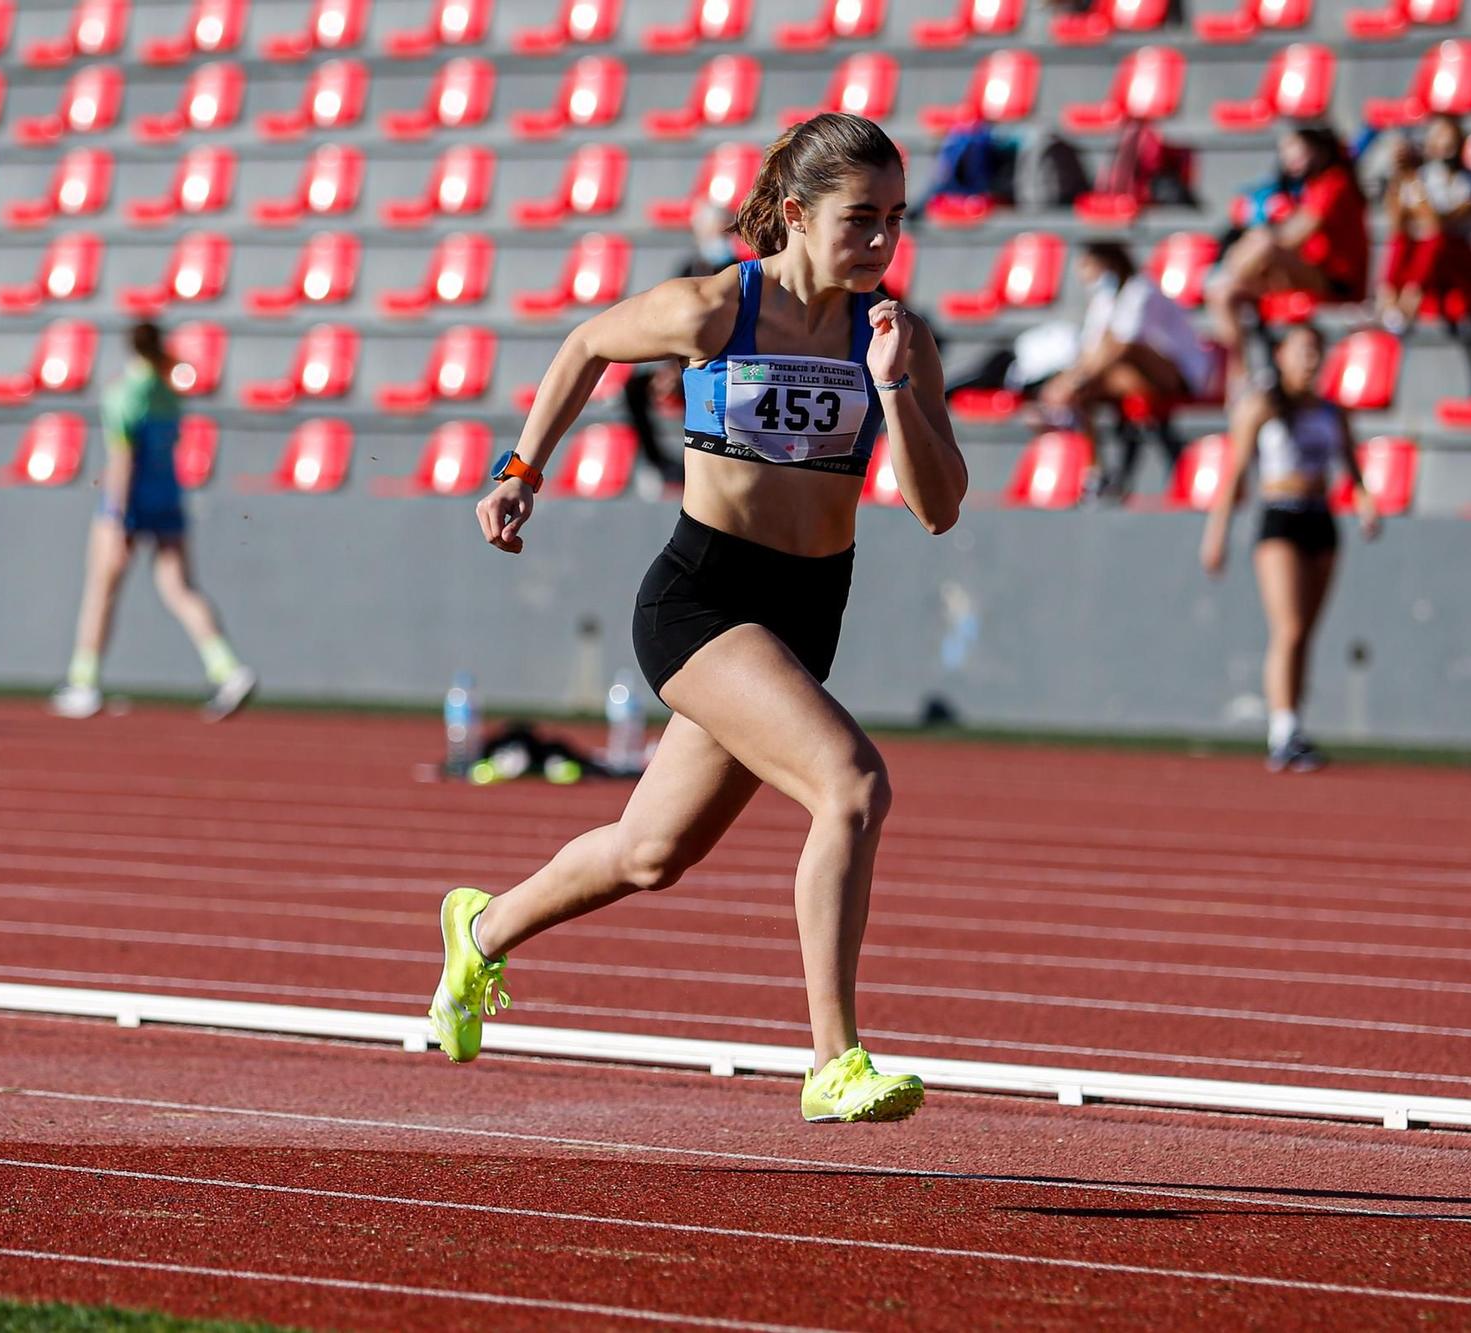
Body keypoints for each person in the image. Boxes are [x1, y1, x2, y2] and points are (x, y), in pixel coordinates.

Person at [436, 113, 966, 1124]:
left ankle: (481, 930)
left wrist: (895, 387)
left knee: (649, 854)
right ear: (798, 216)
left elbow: (936, 507)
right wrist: (519, 471)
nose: (880, 243)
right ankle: (832, 1059)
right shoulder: (717, 309)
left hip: (807, 612)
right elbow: (588, 342)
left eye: (895, 221)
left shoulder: (891, 335)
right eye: (860, 219)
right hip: (702, 600)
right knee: (850, 786)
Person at [50, 321, 256, 722]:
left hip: (133, 500)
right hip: (168, 497)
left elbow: (124, 460)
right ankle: (227, 669)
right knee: (180, 587)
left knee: (101, 588)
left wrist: (116, 516)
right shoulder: (169, 391)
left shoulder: (124, 393)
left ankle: (83, 680)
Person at [1200, 325, 1380, 772]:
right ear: (1280, 355)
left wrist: (1365, 504)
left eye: (1316, 352)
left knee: (1306, 634)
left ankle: (1294, 723)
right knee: (1290, 628)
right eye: (1301, 352)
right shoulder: (1262, 406)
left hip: (1320, 516)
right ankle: (1281, 730)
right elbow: (1234, 474)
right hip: (1280, 515)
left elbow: (1352, 471)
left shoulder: (1331, 412)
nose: (1310, 361)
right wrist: (1217, 533)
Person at [1041, 240, 1219, 494]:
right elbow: (1092, 351)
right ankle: (1095, 470)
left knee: (1120, 351)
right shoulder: (1104, 300)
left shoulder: (1142, 291)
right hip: (1138, 380)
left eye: (1089, 268)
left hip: (1182, 376)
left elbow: (1124, 346)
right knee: (1090, 389)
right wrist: (1072, 383)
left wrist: (1074, 380)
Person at [1206, 126, 1368, 387]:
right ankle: (1239, 379)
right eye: (1285, 150)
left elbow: (1294, 238)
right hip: (1299, 274)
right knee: (1224, 295)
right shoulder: (1303, 188)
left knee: (1264, 243)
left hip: (1335, 282)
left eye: (1296, 149)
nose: (1289, 157)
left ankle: (1222, 274)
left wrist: (1255, 241)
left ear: (1319, 149)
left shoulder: (1334, 183)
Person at [620, 201, 741, 494]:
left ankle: (708, 464)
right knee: (634, 387)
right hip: (683, 361)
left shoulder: (737, 271)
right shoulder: (689, 267)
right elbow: (672, 323)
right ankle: (658, 464)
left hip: (723, 362)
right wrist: (669, 368)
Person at [1375, 114, 1471, 335]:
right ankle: (1387, 297)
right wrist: (1399, 179)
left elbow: (1437, 225)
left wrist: (1412, 180)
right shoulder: (1427, 178)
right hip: (1442, 268)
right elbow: (1397, 224)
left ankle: (1411, 298)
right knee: (1403, 240)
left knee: (1437, 241)